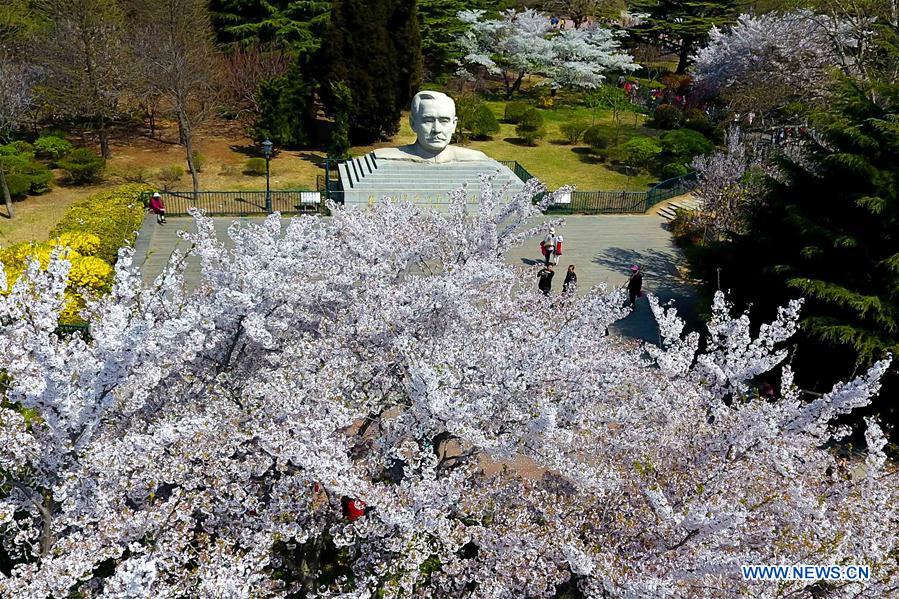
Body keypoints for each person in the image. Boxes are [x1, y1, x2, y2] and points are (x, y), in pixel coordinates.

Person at [373, 91, 491, 164]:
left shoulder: (476, 158)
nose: (437, 129)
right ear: (413, 123)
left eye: (444, 121)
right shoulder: (383, 157)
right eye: (428, 121)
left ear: (454, 124)